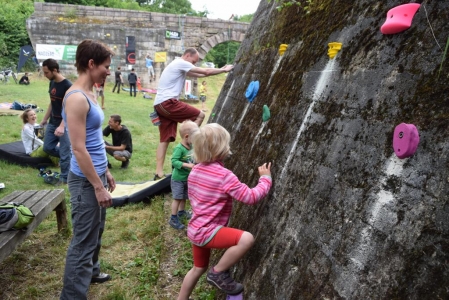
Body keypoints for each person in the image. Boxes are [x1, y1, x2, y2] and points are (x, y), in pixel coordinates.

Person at [177, 123, 272, 299]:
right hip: (208, 230)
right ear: (220, 149)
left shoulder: (195, 170)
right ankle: (218, 272)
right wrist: (265, 179)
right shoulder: (224, 176)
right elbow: (250, 197)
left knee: (198, 268)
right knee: (246, 239)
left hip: (195, 228)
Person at [60, 39, 116, 299]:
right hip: (84, 182)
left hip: (95, 175)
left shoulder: (91, 93)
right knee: (83, 242)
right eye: (106, 66)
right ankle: (72, 295)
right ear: (91, 64)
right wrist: (97, 186)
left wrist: (105, 171)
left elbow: (94, 142)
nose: (108, 71)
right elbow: (79, 149)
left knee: (97, 230)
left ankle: (91, 271)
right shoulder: (76, 99)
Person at [153, 47, 234, 181]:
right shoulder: (180, 63)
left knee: (164, 139)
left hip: (160, 104)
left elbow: (201, 75)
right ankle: (187, 142)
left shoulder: (177, 65)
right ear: (187, 56)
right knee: (200, 115)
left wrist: (218, 71)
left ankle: (158, 173)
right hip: (168, 103)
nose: (194, 64)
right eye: (194, 61)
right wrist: (223, 69)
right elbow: (206, 71)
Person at [40, 58, 72, 184]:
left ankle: (65, 178)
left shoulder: (67, 86)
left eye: (46, 72)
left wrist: (62, 126)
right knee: (47, 147)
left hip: (64, 124)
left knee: (64, 152)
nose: (45, 75)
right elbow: (52, 103)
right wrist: (44, 119)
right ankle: (71, 157)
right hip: (53, 122)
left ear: (54, 70)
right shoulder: (52, 82)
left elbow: (69, 109)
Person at [169, 120, 198, 230]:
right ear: (186, 136)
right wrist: (187, 165)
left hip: (187, 178)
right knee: (177, 198)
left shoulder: (191, 147)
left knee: (184, 196)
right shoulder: (179, 148)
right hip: (178, 179)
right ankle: (173, 218)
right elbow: (174, 161)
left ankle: (181, 212)